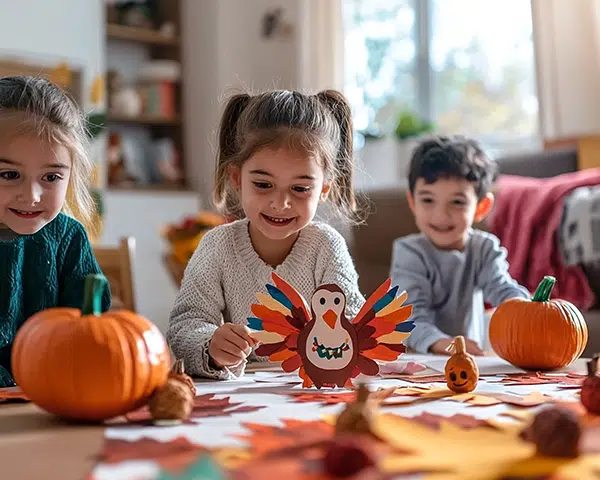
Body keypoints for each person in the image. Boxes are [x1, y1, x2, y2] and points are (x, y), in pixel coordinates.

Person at [167, 89, 365, 379]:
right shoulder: (217, 246)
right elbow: (185, 325)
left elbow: (355, 323)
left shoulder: (326, 246)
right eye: (263, 184)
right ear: (236, 178)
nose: (280, 203)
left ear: (323, 190)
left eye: (300, 189)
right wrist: (211, 345)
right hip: (240, 398)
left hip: (313, 392)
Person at [0, 76, 111, 387]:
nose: (32, 195)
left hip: (52, 391)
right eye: (9, 174)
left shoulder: (67, 237)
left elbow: (88, 328)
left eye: (50, 177)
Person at [390, 135, 529, 356]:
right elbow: (409, 317)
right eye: (428, 200)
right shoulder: (409, 252)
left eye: (457, 202)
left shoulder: (483, 249)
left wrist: (527, 309)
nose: (441, 215)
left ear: (481, 207)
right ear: (412, 202)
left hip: (467, 361)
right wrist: (442, 342)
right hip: (417, 363)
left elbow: (502, 290)